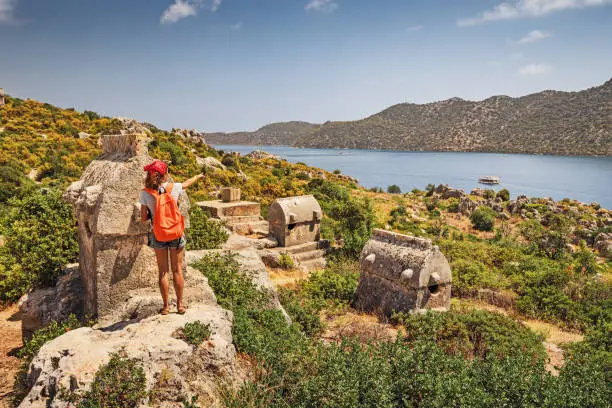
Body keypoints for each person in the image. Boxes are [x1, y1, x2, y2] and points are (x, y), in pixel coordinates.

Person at [139, 160, 204, 315]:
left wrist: (152, 214)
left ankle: (166, 306)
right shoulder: (173, 188)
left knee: (163, 271)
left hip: (158, 234)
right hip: (175, 233)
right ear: (165, 174)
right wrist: (199, 176)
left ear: (150, 175)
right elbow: (187, 183)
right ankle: (180, 305)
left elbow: (142, 218)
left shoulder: (145, 193)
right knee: (177, 270)